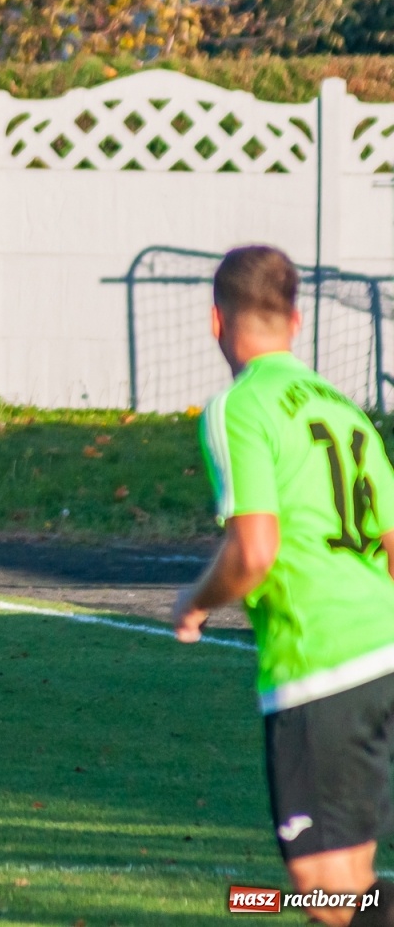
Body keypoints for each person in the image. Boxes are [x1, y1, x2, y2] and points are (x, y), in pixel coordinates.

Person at [172, 245, 394, 926]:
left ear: (216, 321)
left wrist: (195, 602)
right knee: (349, 879)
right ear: (296, 321)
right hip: (384, 651)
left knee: (322, 893)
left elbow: (254, 551)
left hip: (320, 664)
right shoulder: (344, 410)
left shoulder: (240, 406)